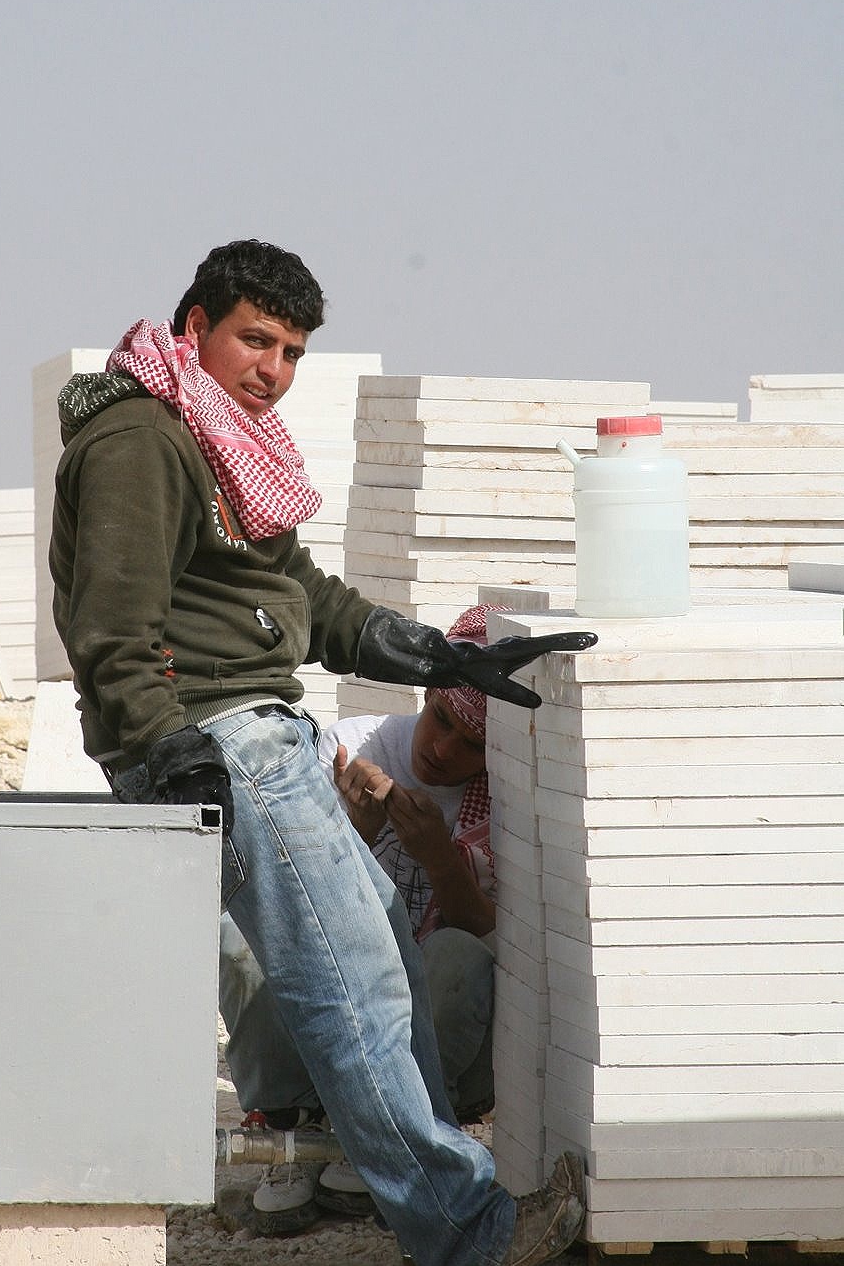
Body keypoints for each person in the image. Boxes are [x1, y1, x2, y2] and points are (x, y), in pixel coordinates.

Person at [49, 239, 595, 1266]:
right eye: (254, 339)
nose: (273, 370)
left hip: (257, 733)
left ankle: (449, 1212)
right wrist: (167, 751)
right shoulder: (139, 439)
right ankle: (467, 1234)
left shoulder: (219, 441)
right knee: (357, 987)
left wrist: (429, 650)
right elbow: (107, 629)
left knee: (380, 949)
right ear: (193, 328)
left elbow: (306, 599)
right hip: (218, 738)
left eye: (292, 351)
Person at [219, 604, 501, 1236]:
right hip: (329, 995)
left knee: (461, 957)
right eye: (441, 722)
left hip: (419, 1021)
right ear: (426, 698)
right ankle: (294, 1126)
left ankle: (405, 1127)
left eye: (470, 745)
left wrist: (437, 855)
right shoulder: (353, 748)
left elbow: (485, 933)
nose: (443, 750)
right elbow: (288, 899)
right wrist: (356, 834)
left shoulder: (504, 799)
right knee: (239, 936)